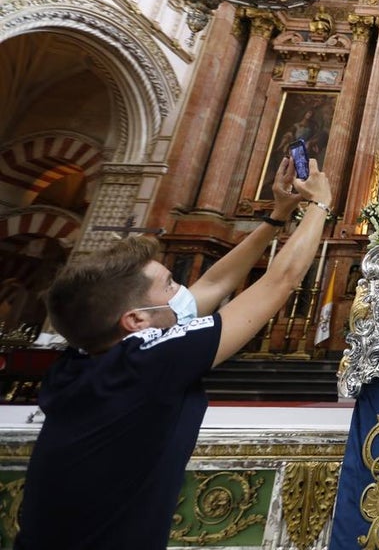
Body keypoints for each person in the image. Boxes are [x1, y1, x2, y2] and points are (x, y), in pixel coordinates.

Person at [15, 157, 333, 549]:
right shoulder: (147, 362)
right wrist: (320, 204)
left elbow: (214, 285)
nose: (182, 290)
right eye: (169, 285)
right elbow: (280, 281)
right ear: (135, 320)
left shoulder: (83, 360)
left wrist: (277, 217)